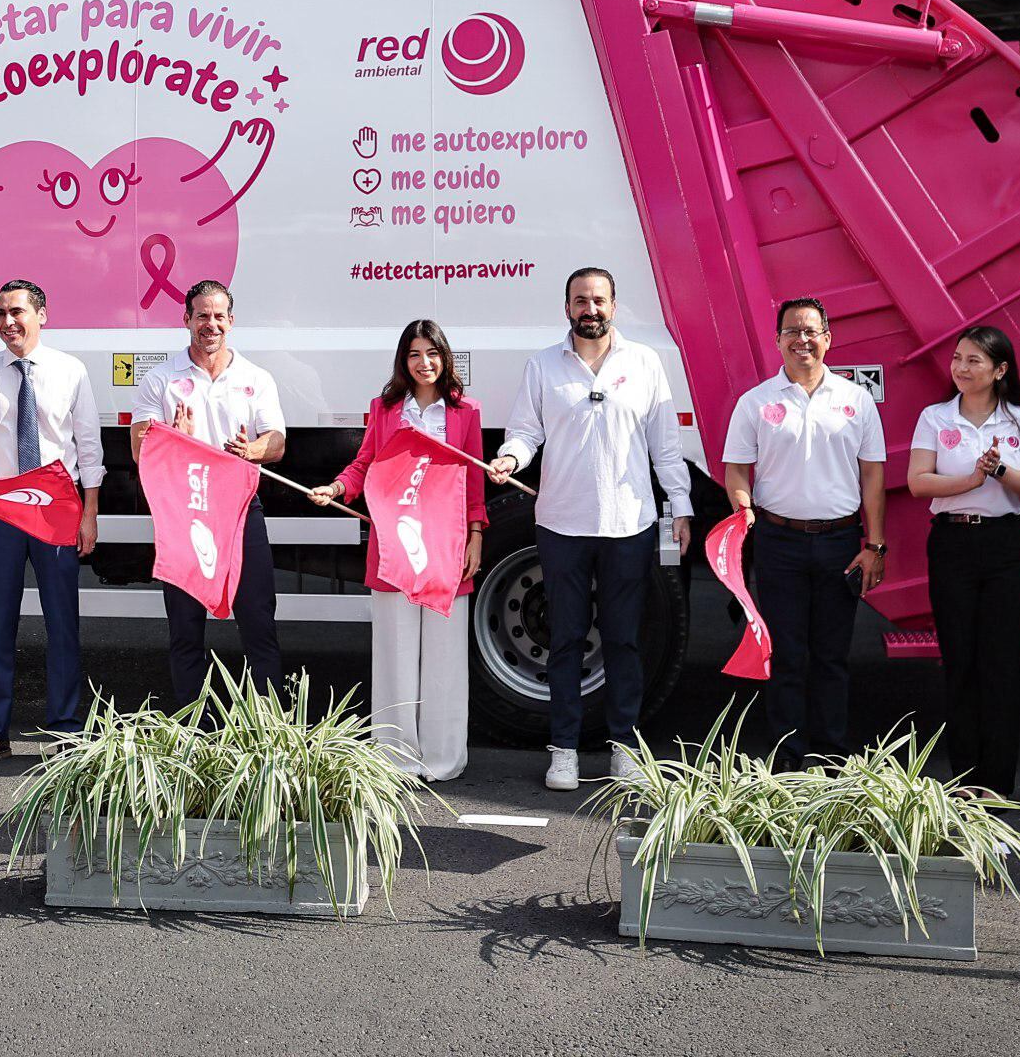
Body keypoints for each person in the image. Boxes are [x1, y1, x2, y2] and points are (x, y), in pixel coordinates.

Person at [488, 270, 693, 790]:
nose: (590, 308)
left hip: (630, 524)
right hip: (562, 523)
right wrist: (511, 457)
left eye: (599, 299)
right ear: (567, 307)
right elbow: (525, 431)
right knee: (566, 640)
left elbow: (666, 447)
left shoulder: (645, 363)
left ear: (614, 306)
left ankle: (625, 748)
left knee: (624, 640)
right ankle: (564, 751)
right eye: (581, 299)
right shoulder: (543, 365)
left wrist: (682, 505)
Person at [310, 319, 487, 781]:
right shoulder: (384, 409)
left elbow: (473, 479)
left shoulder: (465, 412)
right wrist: (336, 488)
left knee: (446, 658)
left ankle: (443, 758)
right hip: (395, 544)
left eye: (432, 353)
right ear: (402, 361)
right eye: (414, 354)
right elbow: (364, 464)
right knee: (395, 652)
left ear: (445, 357)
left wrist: (476, 534)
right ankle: (395, 759)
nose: (424, 362)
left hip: (447, 545)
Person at [0, 278, 103, 770]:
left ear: (42, 314)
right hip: (1, 511)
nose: (8, 322)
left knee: (62, 624)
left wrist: (89, 513)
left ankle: (65, 732)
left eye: (17, 312)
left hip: (56, 509)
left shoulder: (71, 371)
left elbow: (89, 447)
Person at [722, 296, 887, 769]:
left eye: (811, 330)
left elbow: (873, 476)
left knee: (832, 658)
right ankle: (786, 761)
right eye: (792, 331)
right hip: (779, 543)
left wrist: (874, 544)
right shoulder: (755, 402)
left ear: (828, 338)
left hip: (841, 543)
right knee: (787, 656)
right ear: (777, 342)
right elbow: (736, 469)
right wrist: (743, 508)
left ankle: (833, 761)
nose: (802, 339)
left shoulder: (856, 401)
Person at [904, 325, 1020, 797]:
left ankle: (999, 785)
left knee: (1004, 665)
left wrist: (1001, 471)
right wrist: (969, 481)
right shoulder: (935, 417)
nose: (962, 369)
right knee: (960, 662)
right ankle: (965, 783)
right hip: (952, 546)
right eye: (958, 359)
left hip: (1007, 548)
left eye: (975, 361)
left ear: (1000, 370)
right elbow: (918, 482)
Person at [131, 280, 286, 707]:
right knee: (185, 626)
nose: (210, 324)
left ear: (231, 322)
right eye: (202, 315)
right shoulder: (160, 379)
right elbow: (140, 449)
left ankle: (269, 728)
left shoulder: (255, 377)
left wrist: (251, 449)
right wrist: (175, 441)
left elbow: (277, 442)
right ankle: (191, 729)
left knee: (257, 619)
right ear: (187, 320)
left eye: (219, 316)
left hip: (238, 511)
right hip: (187, 513)